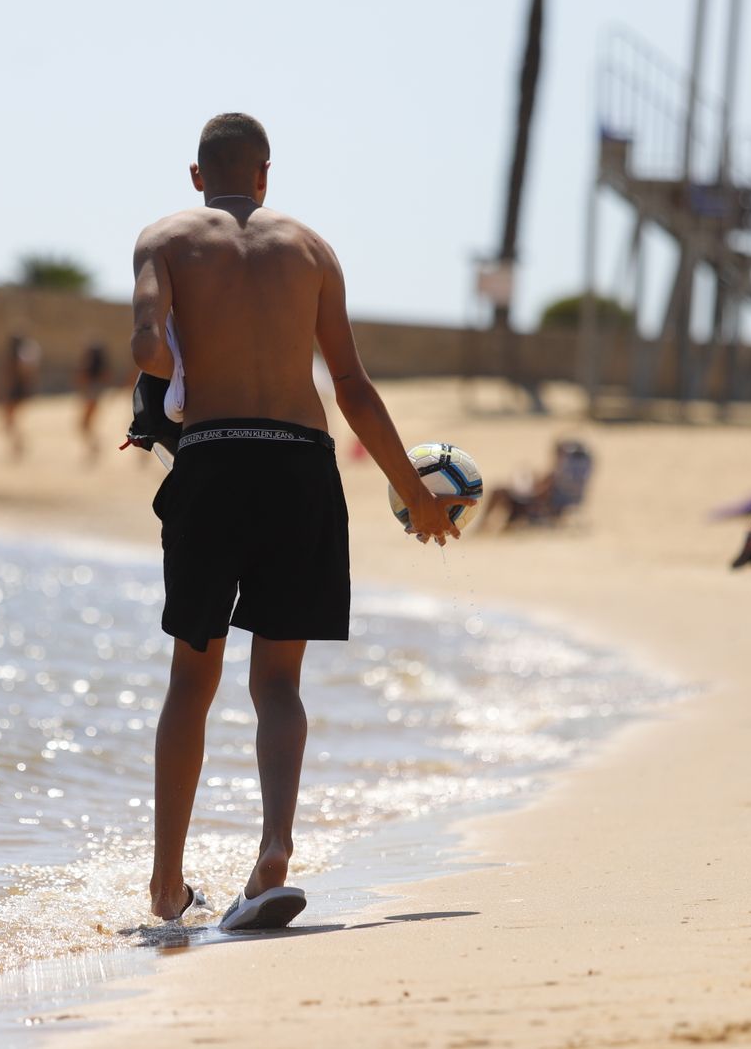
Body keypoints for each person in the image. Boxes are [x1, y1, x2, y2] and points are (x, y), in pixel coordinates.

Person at [130, 113, 471, 930]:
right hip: (298, 461)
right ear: (266, 175)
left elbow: (147, 341)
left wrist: (164, 377)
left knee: (192, 680)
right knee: (277, 682)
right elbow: (351, 385)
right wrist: (416, 494)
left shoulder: (165, 237)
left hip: (214, 459)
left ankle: (166, 888)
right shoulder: (313, 251)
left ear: (195, 176)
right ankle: (274, 849)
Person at [478, 437, 594, 530]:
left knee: (499, 492)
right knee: (503, 491)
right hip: (544, 508)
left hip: (536, 508)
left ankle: (482, 526)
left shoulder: (557, 475)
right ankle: (486, 527)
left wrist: (525, 484)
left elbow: (538, 494)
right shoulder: (573, 478)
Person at [1, 334, 40, 460]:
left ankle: (18, 445)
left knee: (10, 420)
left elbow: (22, 373)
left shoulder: (20, 356)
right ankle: (18, 444)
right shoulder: (23, 355)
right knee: (10, 420)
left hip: (16, 390)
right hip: (17, 390)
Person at [75, 341, 112, 461]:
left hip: (91, 395)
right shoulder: (101, 369)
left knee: (84, 424)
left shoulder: (88, 366)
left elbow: (82, 379)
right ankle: (94, 447)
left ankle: (95, 447)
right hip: (96, 394)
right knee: (87, 424)